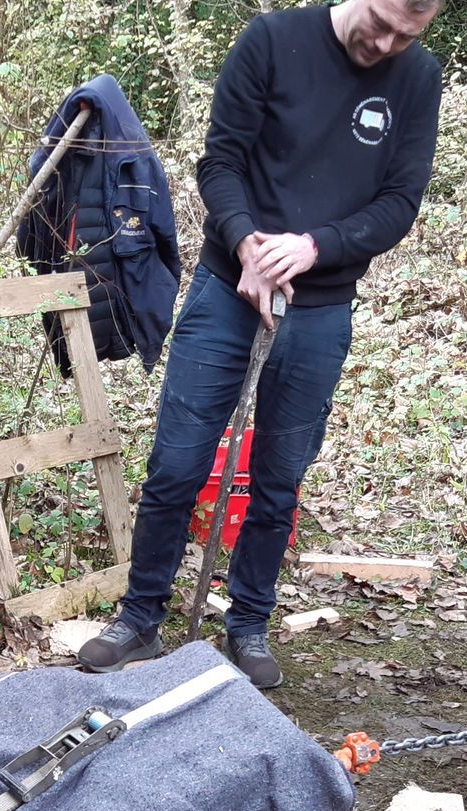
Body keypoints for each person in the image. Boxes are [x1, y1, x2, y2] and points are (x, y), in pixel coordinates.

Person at [79, 0, 445, 689]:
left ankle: (247, 623)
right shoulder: (274, 40)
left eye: (406, 36)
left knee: (278, 480)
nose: (386, 44)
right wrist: (247, 243)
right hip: (227, 289)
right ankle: (140, 617)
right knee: (177, 466)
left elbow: (399, 203)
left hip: (321, 306)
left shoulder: (418, 78)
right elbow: (221, 162)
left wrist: (314, 247)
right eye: (381, 23)